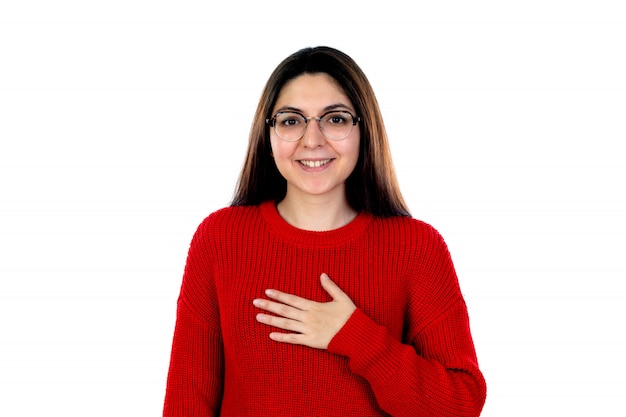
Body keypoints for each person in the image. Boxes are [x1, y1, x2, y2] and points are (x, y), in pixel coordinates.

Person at [163, 46, 487, 416]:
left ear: (363, 129)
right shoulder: (220, 239)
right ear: (267, 136)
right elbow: (186, 402)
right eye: (291, 120)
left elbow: (461, 404)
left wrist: (356, 336)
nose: (312, 139)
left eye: (334, 119)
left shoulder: (417, 247)